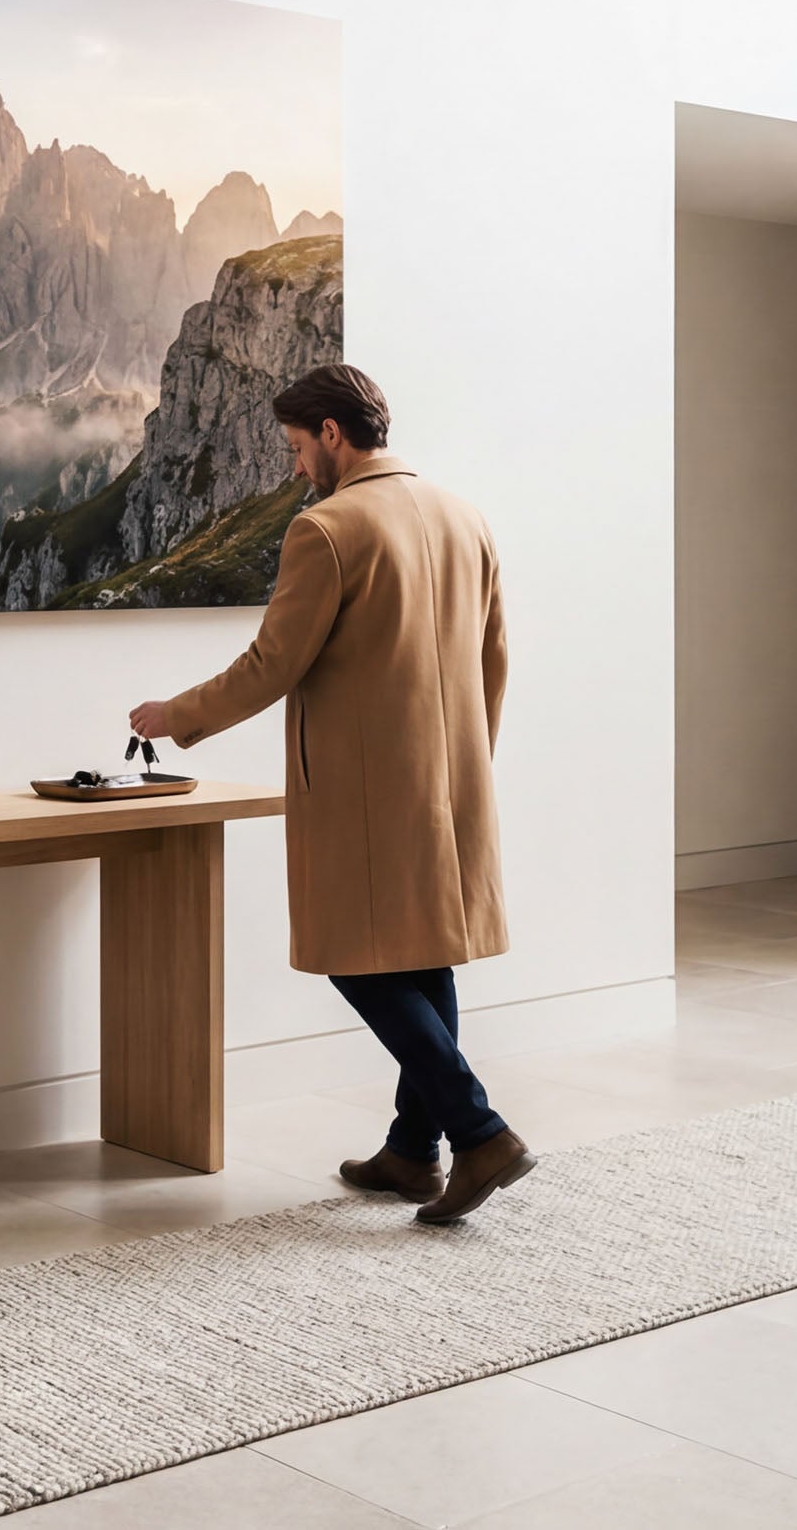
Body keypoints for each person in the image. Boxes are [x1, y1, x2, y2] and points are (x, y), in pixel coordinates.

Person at [127, 364, 525, 1225]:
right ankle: (416, 1154)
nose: (296, 466)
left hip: (367, 794)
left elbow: (274, 665)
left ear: (334, 435)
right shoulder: (465, 516)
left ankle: (480, 1130)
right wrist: (470, 760)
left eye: (298, 447)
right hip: (452, 781)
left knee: (357, 958)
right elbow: (497, 656)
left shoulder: (329, 529)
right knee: (425, 957)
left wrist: (174, 716)